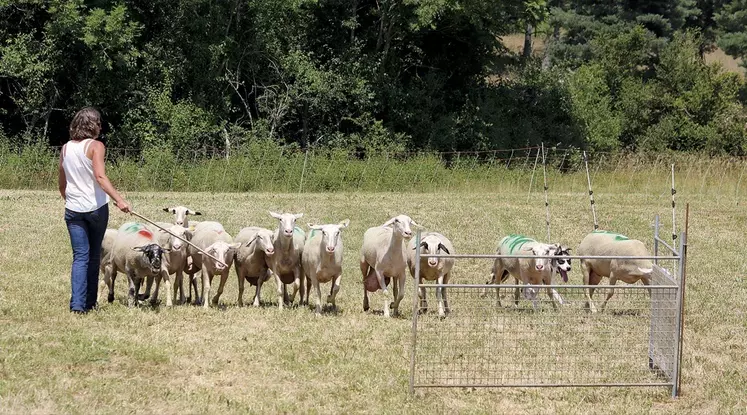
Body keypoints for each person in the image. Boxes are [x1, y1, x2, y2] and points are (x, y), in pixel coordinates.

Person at [58, 107, 131, 314]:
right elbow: (100, 177)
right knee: (92, 256)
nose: (100, 126)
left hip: (73, 210)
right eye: (99, 123)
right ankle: (90, 302)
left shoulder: (65, 148)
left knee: (80, 256)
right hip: (95, 208)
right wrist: (120, 200)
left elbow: (62, 183)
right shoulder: (96, 146)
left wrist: (69, 198)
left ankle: (77, 305)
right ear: (93, 125)